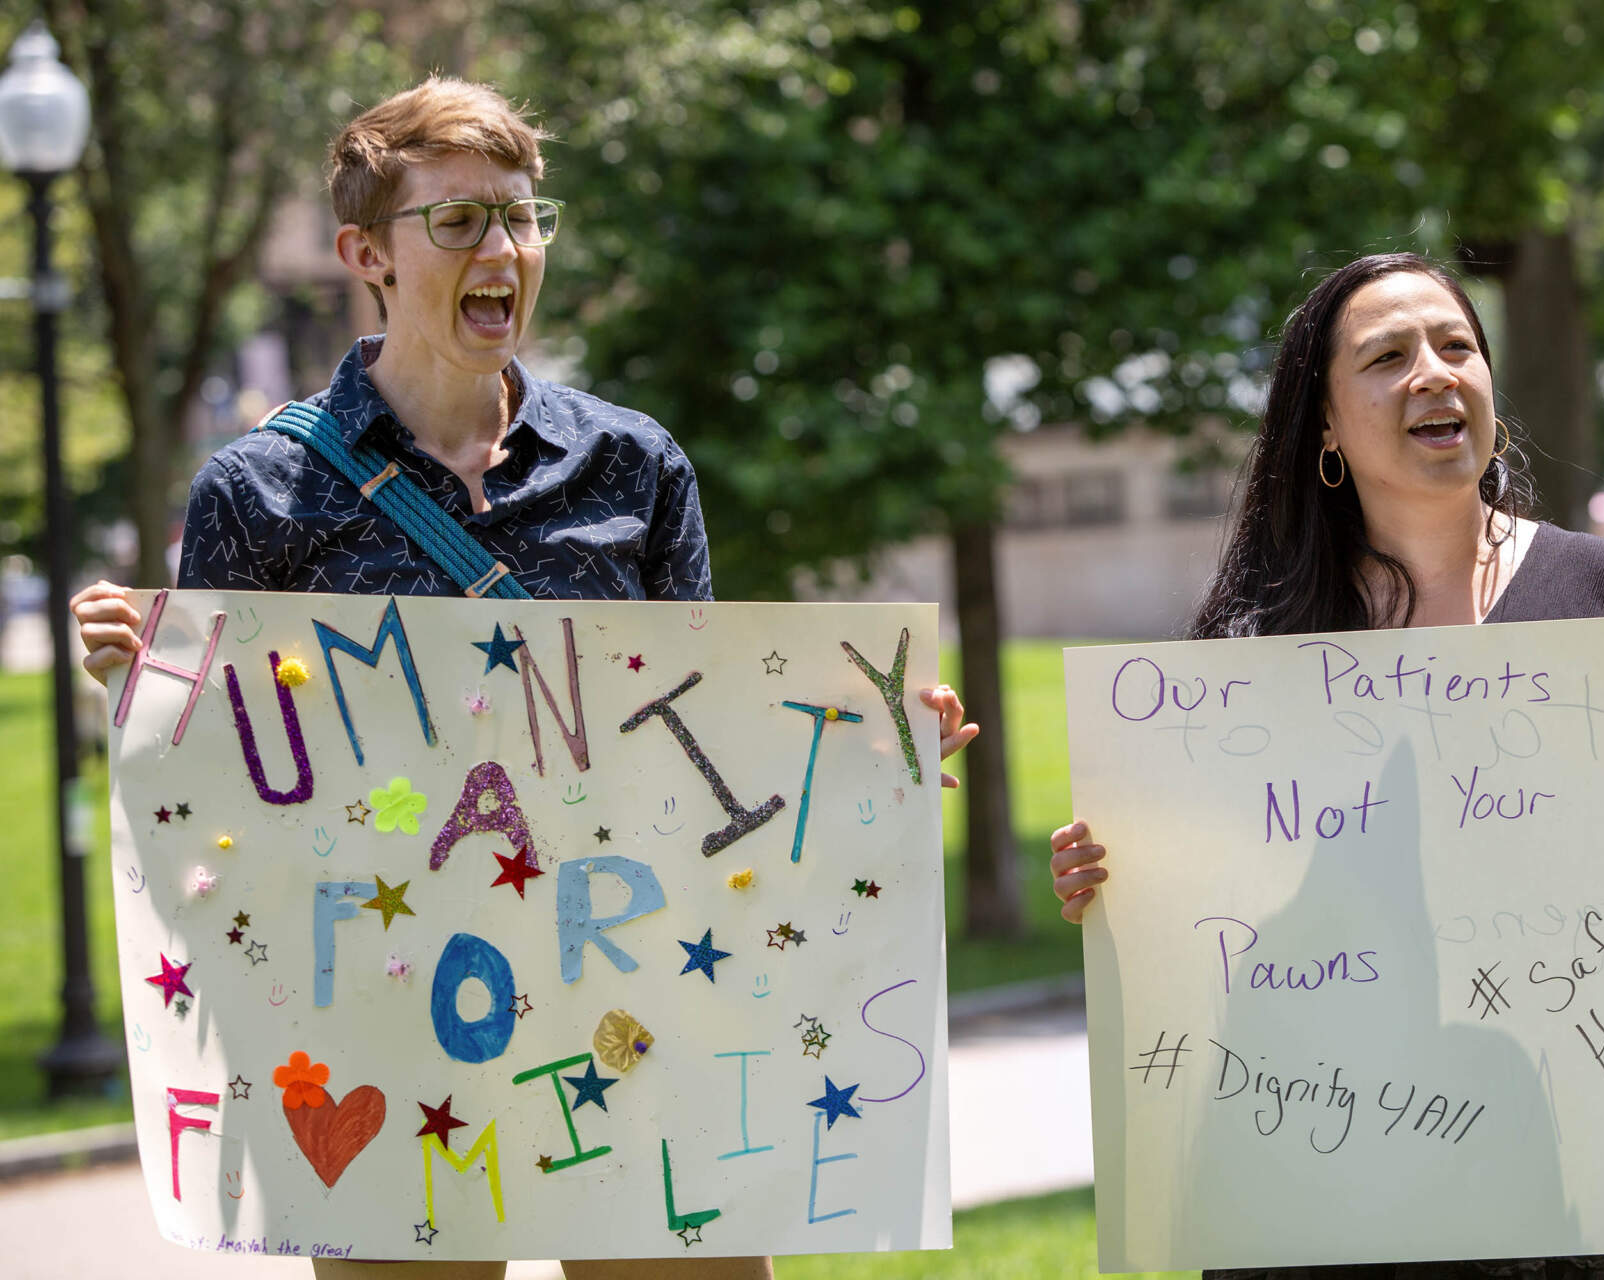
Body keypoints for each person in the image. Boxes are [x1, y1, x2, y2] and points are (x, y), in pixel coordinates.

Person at [71, 77, 975, 1280]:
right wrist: (144, 689)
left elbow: (697, 749)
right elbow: (228, 798)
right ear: (364, 253)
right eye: (457, 222)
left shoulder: (633, 463)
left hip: (638, 1001)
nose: (502, 249)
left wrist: (861, 752)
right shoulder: (262, 490)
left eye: (520, 216)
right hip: (393, 1034)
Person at [1047, 252, 1604, 1280]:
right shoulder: (1252, 658)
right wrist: (1114, 882)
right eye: (1387, 356)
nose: (1434, 372)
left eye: (1456, 346)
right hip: (1338, 1187)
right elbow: (1207, 933)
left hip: (1588, 1191)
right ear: (1323, 424)